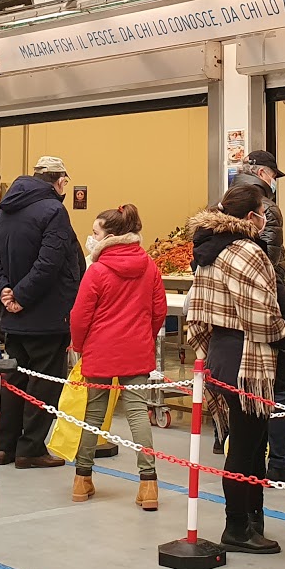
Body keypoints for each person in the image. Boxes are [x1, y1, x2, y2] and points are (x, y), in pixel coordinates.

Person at [186, 184, 285, 554]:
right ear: (250, 217)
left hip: (221, 353)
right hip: (249, 358)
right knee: (248, 446)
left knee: (244, 441)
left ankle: (250, 519)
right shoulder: (247, 251)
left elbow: (195, 311)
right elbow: (262, 315)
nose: (265, 218)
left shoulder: (208, 250)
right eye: (262, 210)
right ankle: (238, 526)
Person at [0, 156, 84, 467]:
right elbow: (50, 262)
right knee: (44, 382)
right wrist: (22, 296)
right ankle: (30, 449)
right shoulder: (54, 210)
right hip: (46, 315)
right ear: (60, 181)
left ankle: (4, 446)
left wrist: (4, 292)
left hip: (13, 316)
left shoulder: (3, 212)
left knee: (14, 380)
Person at [68, 204, 167, 509]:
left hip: (100, 347)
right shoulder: (149, 265)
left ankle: (82, 479)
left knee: (94, 414)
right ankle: (148, 484)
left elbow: (80, 316)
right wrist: (144, 337)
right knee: (137, 412)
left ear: (110, 236)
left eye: (96, 232)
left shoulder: (97, 270)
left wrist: (79, 345)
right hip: (135, 348)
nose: (92, 238)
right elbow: (159, 310)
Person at [229, 150, 285, 484]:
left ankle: (242, 451)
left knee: (244, 386)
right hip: (268, 306)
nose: (275, 181)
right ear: (262, 172)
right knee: (282, 386)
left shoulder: (224, 203)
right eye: (274, 175)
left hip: (235, 314)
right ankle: (278, 459)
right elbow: (268, 261)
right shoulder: (267, 208)